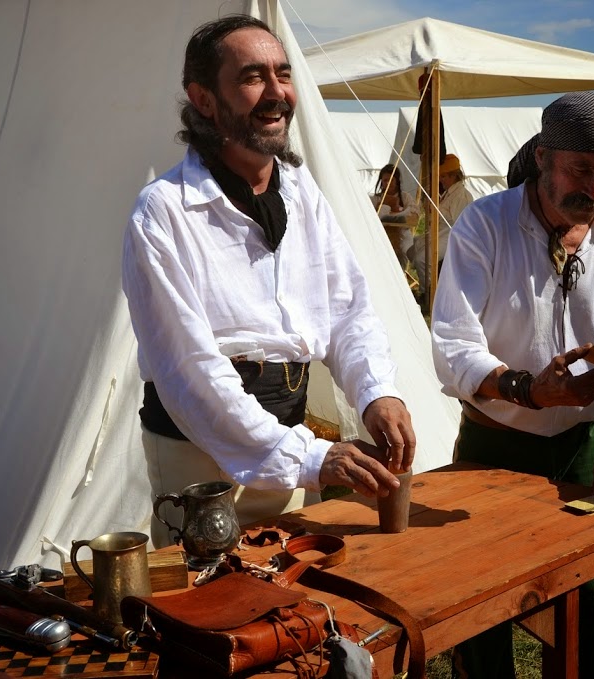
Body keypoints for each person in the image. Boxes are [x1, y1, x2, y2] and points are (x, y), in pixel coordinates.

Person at [121, 15, 416, 542]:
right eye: (252, 77)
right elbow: (189, 369)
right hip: (199, 456)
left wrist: (376, 392)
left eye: (283, 74)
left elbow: (347, 310)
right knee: (207, 589)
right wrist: (308, 457)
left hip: (288, 441)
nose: (277, 93)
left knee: (296, 583)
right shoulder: (163, 211)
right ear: (204, 99)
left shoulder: (302, 192)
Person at [431, 91, 594, 679]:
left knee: (583, 596)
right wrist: (528, 389)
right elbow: (453, 345)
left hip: (581, 451)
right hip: (494, 446)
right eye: (581, 170)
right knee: (480, 599)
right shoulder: (485, 224)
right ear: (542, 158)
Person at [411, 153, 474, 296]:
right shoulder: (449, 193)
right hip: (442, 233)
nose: (440, 180)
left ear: (454, 176)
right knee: (412, 248)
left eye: (443, 176)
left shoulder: (461, 195)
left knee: (422, 259)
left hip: (453, 237)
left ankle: (430, 294)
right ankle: (432, 287)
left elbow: (460, 227)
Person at [372, 164, 419, 268]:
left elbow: (414, 216)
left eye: (391, 180)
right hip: (382, 238)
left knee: (401, 263)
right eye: (385, 180)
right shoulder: (376, 199)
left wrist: (394, 212)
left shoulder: (405, 197)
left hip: (402, 239)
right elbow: (374, 218)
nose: (388, 183)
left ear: (397, 181)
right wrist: (386, 206)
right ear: (381, 182)